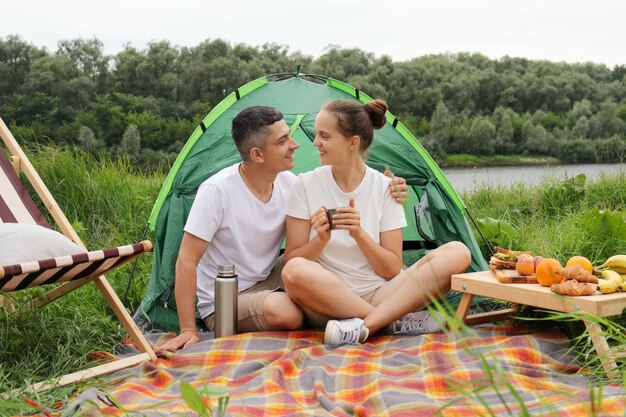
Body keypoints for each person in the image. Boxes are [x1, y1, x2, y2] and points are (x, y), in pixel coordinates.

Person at [160, 105, 408, 351]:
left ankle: (367, 314)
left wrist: (388, 187)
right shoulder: (218, 191)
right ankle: (386, 319)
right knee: (288, 313)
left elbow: (343, 183)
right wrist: (188, 330)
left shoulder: (289, 184)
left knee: (360, 265)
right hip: (227, 297)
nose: (296, 144)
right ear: (257, 155)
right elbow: (186, 260)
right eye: (283, 140)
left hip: (270, 276)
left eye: (289, 135)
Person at [281, 99, 471, 345]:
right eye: (317, 135)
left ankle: (366, 326)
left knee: (458, 252)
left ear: (353, 142)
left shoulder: (385, 188)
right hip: (327, 302)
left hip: (382, 294)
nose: (315, 142)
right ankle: (391, 322)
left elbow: (392, 269)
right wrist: (321, 239)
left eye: (324, 136)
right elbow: (292, 259)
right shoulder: (305, 184)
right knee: (293, 271)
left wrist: (359, 234)